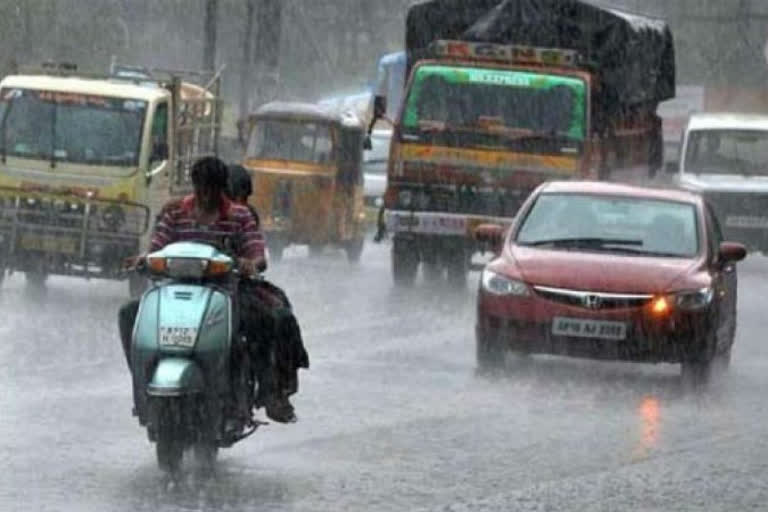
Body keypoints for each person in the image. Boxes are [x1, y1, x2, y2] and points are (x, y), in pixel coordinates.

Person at [117, 157, 298, 423]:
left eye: (211, 189)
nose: (205, 196)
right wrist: (143, 260)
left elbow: (257, 254)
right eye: (201, 188)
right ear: (194, 185)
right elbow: (157, 248)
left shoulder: (239, 216)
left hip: (225, 292)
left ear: (221, 188)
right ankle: (142, 382)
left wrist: (251, 263)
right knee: (128, 314)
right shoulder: (176, 213)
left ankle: (267, 392)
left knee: (259, 323)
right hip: (174, 291)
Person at [226, 163, 309, 408]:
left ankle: (275, 388)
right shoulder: (191, 212)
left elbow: (256, 254)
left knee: (278, 315)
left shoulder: (244, 216)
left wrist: (248, 263)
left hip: (237, 287)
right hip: (200, 287)